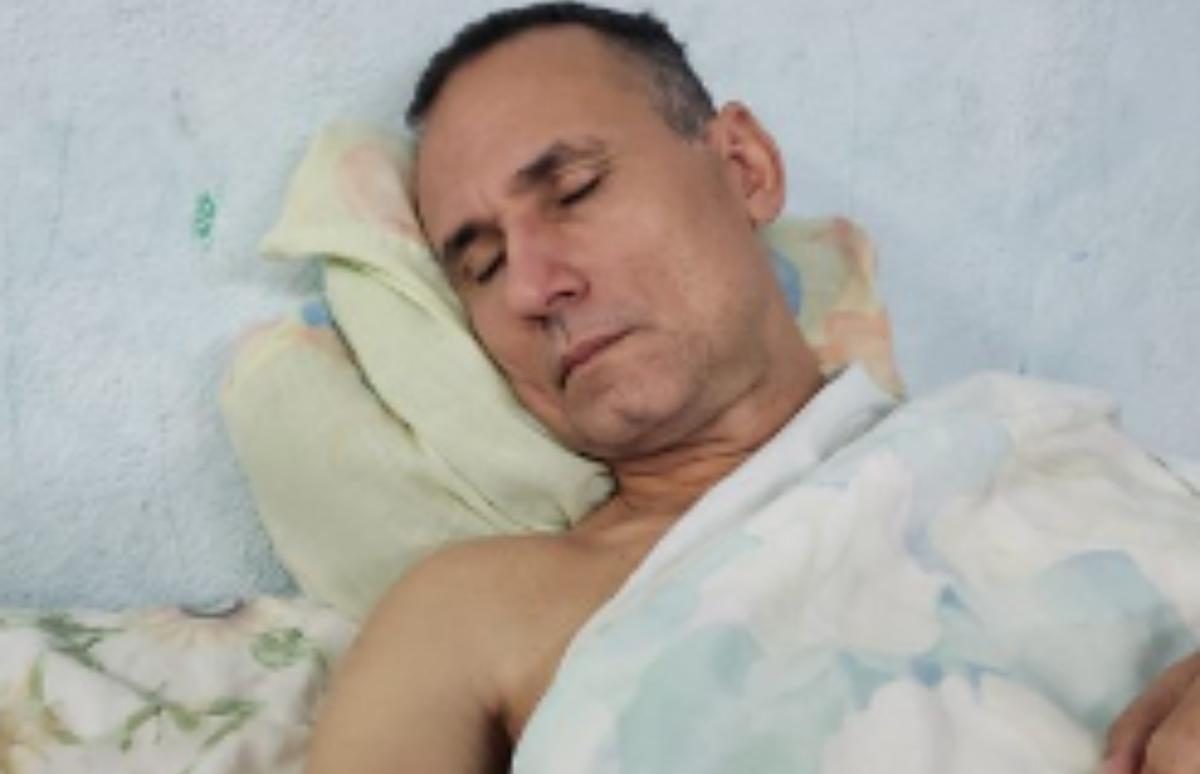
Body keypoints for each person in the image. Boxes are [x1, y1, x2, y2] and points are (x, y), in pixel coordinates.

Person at [305, 4, 1200, 773]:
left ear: (745, 168)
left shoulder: (1030, 445)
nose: (535, 285)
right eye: (485, 265)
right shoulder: (477, 613)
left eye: (574, 191)